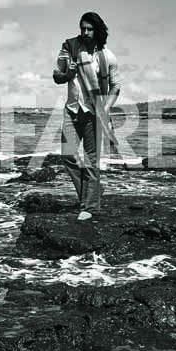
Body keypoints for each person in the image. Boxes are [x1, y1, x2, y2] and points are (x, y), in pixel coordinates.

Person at [52, 12, 120, 221]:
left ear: (98, 31)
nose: (85, 32)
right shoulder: (69, 48)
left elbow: (116, 86)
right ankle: (93, 194)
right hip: (72, 109)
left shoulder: (108, 57)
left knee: (91, 160)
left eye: (90, 29)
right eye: (83, 28)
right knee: (67, 155)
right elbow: (57, 76)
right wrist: (69, 74)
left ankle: (90, 207)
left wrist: (106, 108)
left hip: (94, 113)